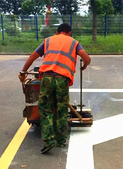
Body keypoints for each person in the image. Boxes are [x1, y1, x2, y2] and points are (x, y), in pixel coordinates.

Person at [19, 23, 91, 154]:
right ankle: (61, 139)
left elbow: (32, 57)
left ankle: (48, 140)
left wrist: (23, 72)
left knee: (46, 109)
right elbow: (87, 58)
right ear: (69, 33)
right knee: (61, 109)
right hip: (62, 79)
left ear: (57, 32)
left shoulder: (48, 40)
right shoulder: (74, 42)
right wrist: (84, 65)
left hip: (46, 78)